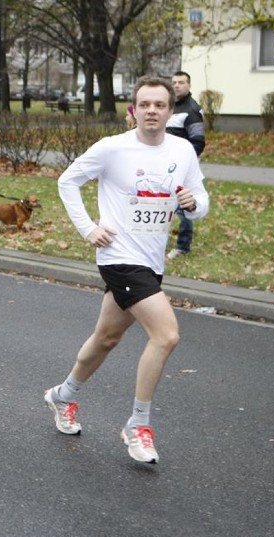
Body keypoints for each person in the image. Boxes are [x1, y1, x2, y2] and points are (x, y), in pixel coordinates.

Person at [45, 75, 209, 464]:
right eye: (145, 104)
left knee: (105, 338)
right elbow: (68, 181)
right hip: (119, 257)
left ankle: (61, 396)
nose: (152, 111)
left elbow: (201, 200)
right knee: (166, 335)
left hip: (152, 260)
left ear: (171, 111)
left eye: (160, 105)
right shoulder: (112, 148)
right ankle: (138, 425)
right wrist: (89, 229)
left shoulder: (182, 150)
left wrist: (191, 203)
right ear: (133, 110)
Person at [166, 71, 206, 261]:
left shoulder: (192, 110)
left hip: (181, 170)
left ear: (189, 85)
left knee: (184, 207)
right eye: (173, 82)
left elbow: (198, 142)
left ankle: (183, 247)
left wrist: (184, 166)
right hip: (163, 167)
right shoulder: (170, 106)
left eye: (181, 82)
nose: (176, 85)